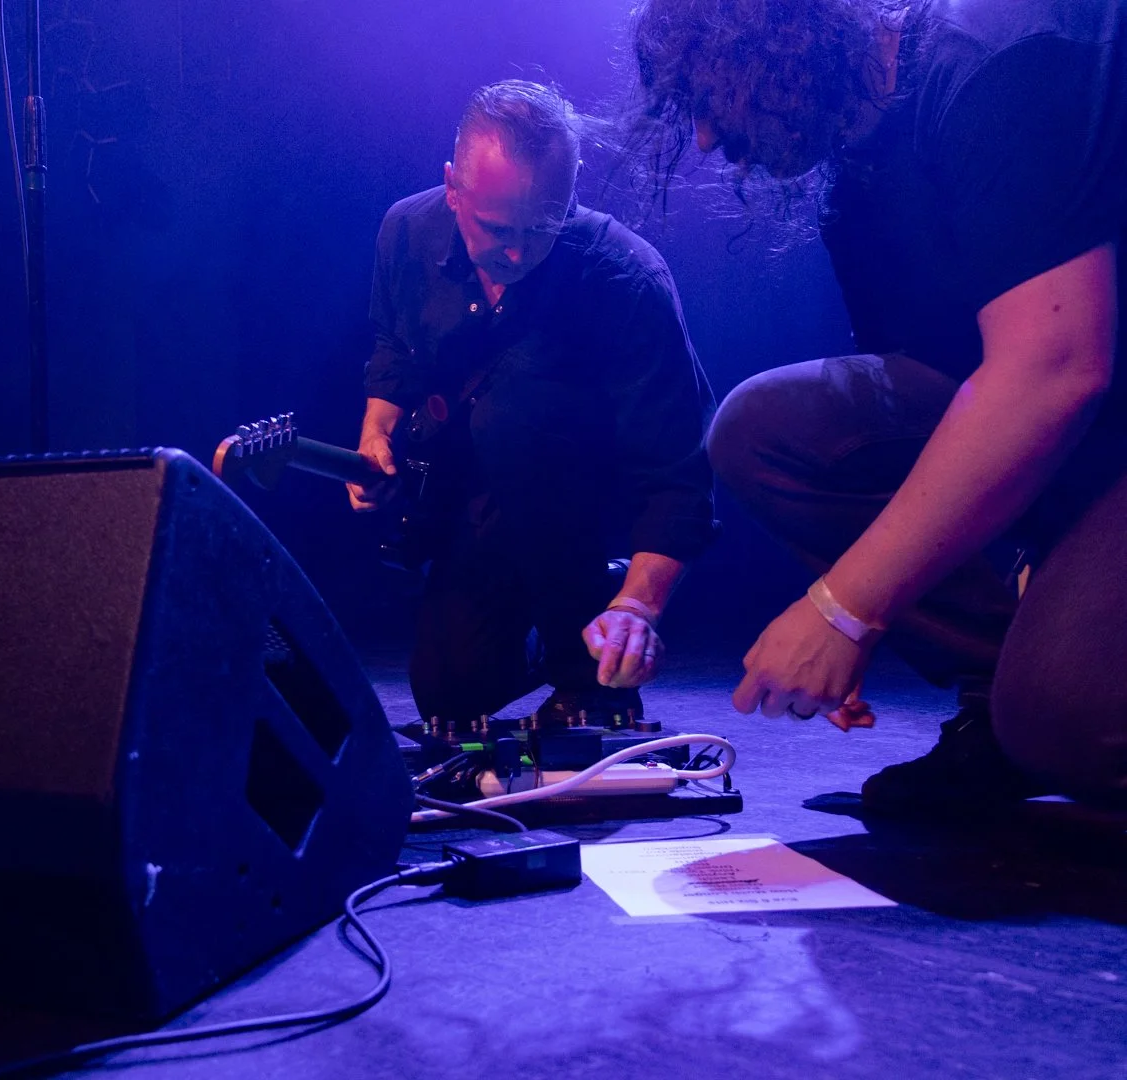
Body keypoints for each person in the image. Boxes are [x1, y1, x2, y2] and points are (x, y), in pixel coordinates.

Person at [626, 0, 1127, 810]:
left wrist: (846, 610)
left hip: (1099, 417)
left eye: (709, 93)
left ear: (772, 42)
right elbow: (936, 391)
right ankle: (1001, 692)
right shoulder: (858, 164)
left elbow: (1056, 370)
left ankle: (1053, 699)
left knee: (1066, 723)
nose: (708, 139)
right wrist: (875, 606)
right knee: (766, 428)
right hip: (1082, 437)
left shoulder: (992, 64)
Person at [348, 79, 717, 729]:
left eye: (543, 227)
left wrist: (638, 608)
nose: (517, 253)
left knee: (519, 416)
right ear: (453, 189)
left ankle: (594, 606)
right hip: (473, 501)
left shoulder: (627, 279)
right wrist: (375, 434)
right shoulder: (405, 231)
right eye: (496, 229)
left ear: (570, 197)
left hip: (575, 503)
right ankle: (543, 632)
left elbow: (680, 474)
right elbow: (394, 349)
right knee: (447, 695)